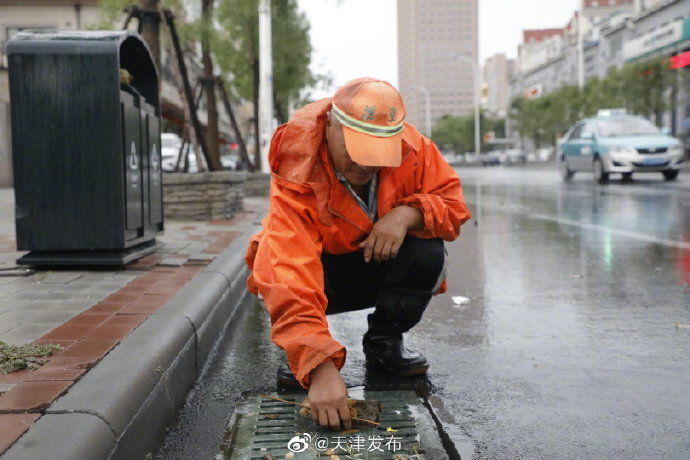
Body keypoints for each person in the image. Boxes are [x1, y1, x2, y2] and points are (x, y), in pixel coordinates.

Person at [245, 77, 470, 431]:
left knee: (427, 250)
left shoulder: (415, 149)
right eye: (357, 150)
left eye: (378, 154)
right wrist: (319, 367)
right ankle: (301, 351)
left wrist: (406, 215)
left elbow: (454, 207)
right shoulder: (299, 164)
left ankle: (384, 343)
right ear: (331, 125)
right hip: (322, 274)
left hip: (375, 264)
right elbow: (289, 267)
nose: (366, 167)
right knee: (271, 254)